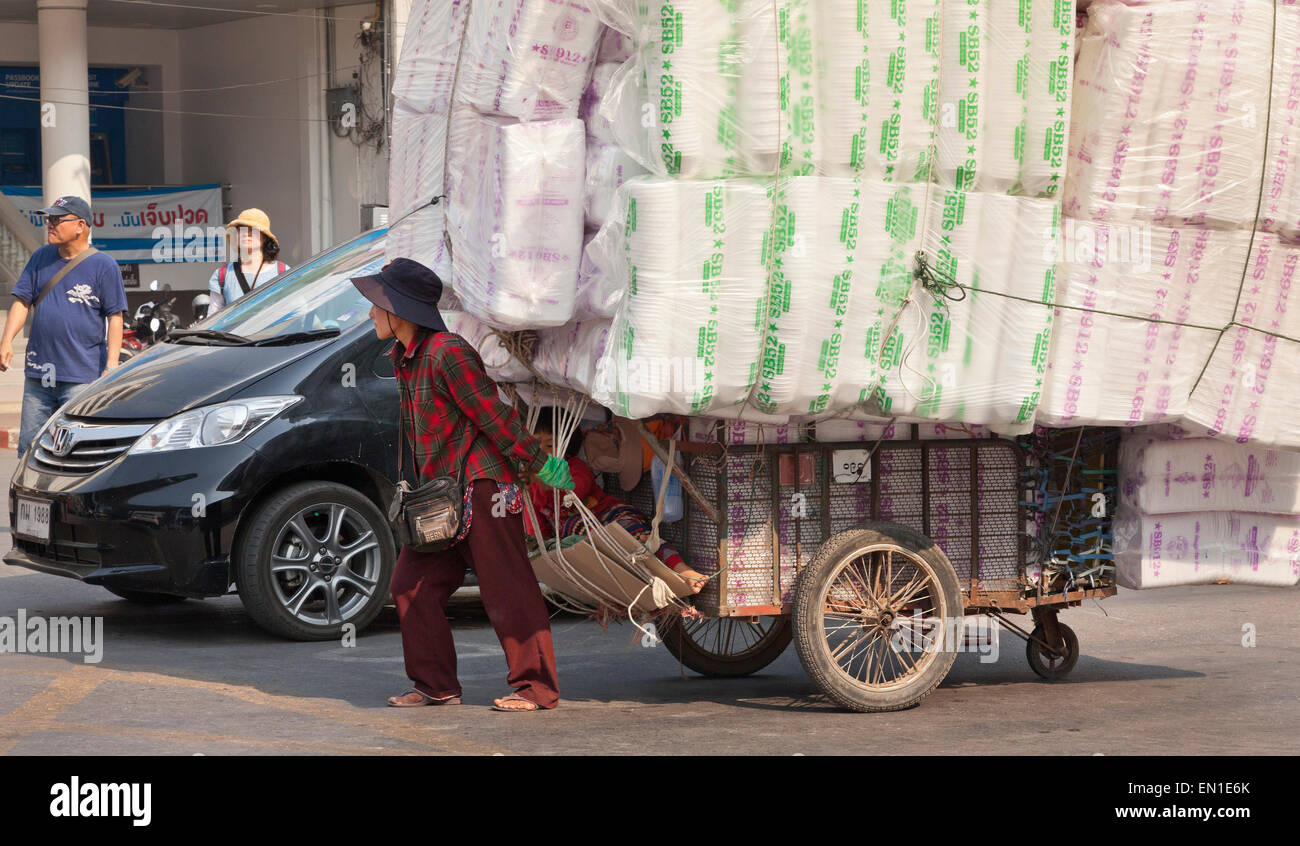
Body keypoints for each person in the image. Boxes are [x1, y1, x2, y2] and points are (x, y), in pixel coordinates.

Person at [350, 258, 575, 712]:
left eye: (377, 305)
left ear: (400, 310)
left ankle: (537, 688)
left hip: (484, 488)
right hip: (442, 498)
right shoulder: (405, 359)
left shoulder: (447, 352)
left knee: (507, 589)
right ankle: (435, 685)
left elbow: (494, 417)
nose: (371, 313)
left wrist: (540, 463)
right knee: (410, 586)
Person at [0, 195, 128, 455]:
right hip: (40, 375)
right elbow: (22, 302)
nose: (50, 224)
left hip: (82, 377)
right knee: (30, 450)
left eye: (57, 219)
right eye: (49, 219)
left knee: (77, 450)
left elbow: (115, 317)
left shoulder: (104, 266)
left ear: (80, 225)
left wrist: (111, 366)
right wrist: (6, 341)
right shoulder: (41, 258)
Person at [526, 413, 708, 592]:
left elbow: (576, 489)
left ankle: (683, 570)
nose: (541, 450)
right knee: (575, 528)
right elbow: (537, 532)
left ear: (566, 448)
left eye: (550, 444)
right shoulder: (530, 488)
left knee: (643, 539)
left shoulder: (574, 466)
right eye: (535, 444)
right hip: (589, 544)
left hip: (611, 516)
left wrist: (546, 481)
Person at [207, 208, 288, 313]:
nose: (246, 233)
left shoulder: (283, 272)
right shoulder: (222, 275)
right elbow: (212, 319)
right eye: (241, 229)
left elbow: (298, 311)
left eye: (253, 230)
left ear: (264, 237)